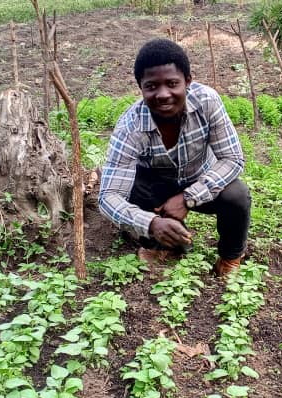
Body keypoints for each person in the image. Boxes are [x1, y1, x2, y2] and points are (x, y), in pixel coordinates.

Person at [98, 38, 251, 276]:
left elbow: (232, 159)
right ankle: (163, 243)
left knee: (236, 194)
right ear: (141, 87)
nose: (163, 94)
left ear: (187, 81)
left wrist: (189, 197)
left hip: (199, 179)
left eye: (172, 83)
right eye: (151, 86)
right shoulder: (131, 127)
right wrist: (150, 223)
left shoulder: (207, 102)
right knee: (134, 189)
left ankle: (230, 257)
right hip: (156, 190)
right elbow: (109, 196)